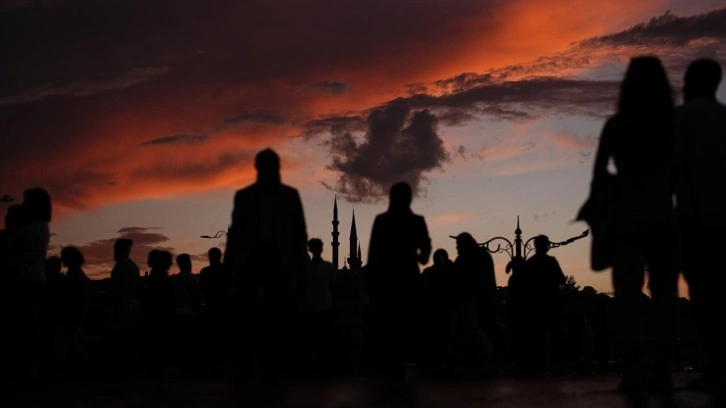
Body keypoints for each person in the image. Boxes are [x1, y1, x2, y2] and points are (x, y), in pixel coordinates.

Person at [588, 56, 680, 395]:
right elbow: (681, 173)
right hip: (664, 214)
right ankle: (663, 367)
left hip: (627, 215)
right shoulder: (674, 124)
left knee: (627, 292)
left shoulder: (616, 126)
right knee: (665, 293)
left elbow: (599, 176)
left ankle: (634, 369)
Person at [223, 148, 308, 383]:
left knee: (276, 315)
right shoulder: (245, 196)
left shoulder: (290, 196)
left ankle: (271, 366)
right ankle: (246, 366)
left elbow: (299, 233)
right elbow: (236, 234)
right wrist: (229, 265)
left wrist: (300, 263)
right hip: (251, 259)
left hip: (278, 259)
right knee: (246, 315)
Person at [674, 58, 726, 391]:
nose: (682, 86)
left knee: (704, 295)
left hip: (694, 221)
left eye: (687, 79)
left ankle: (719, 365)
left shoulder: (680, 118)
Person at [366, 181, 431, 382]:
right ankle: (395, 364)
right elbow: (374, 251)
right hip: (389, 278)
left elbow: (425, 244)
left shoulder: (414, 221)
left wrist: (422, 256)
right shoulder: (384, 221)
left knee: (403, 322)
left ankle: (397, 364)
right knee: (391, 322)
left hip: (405, 277)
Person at [522, 235, 567, 375]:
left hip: (535, 304)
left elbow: (525, 285)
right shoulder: (551, 261)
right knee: (556, 333)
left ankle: (538, 364)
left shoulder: (530, 263)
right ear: (546, 246)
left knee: (536, 335)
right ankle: (556, 363)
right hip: (552, 302)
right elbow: (562, 279)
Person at [298, 238, 337, 375]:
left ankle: (323, 368)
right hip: (310, 308)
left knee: (323, 340)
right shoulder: (307, 268)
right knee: (311, 340)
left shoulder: (328, 267)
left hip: (324, 307)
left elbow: (332, 286)